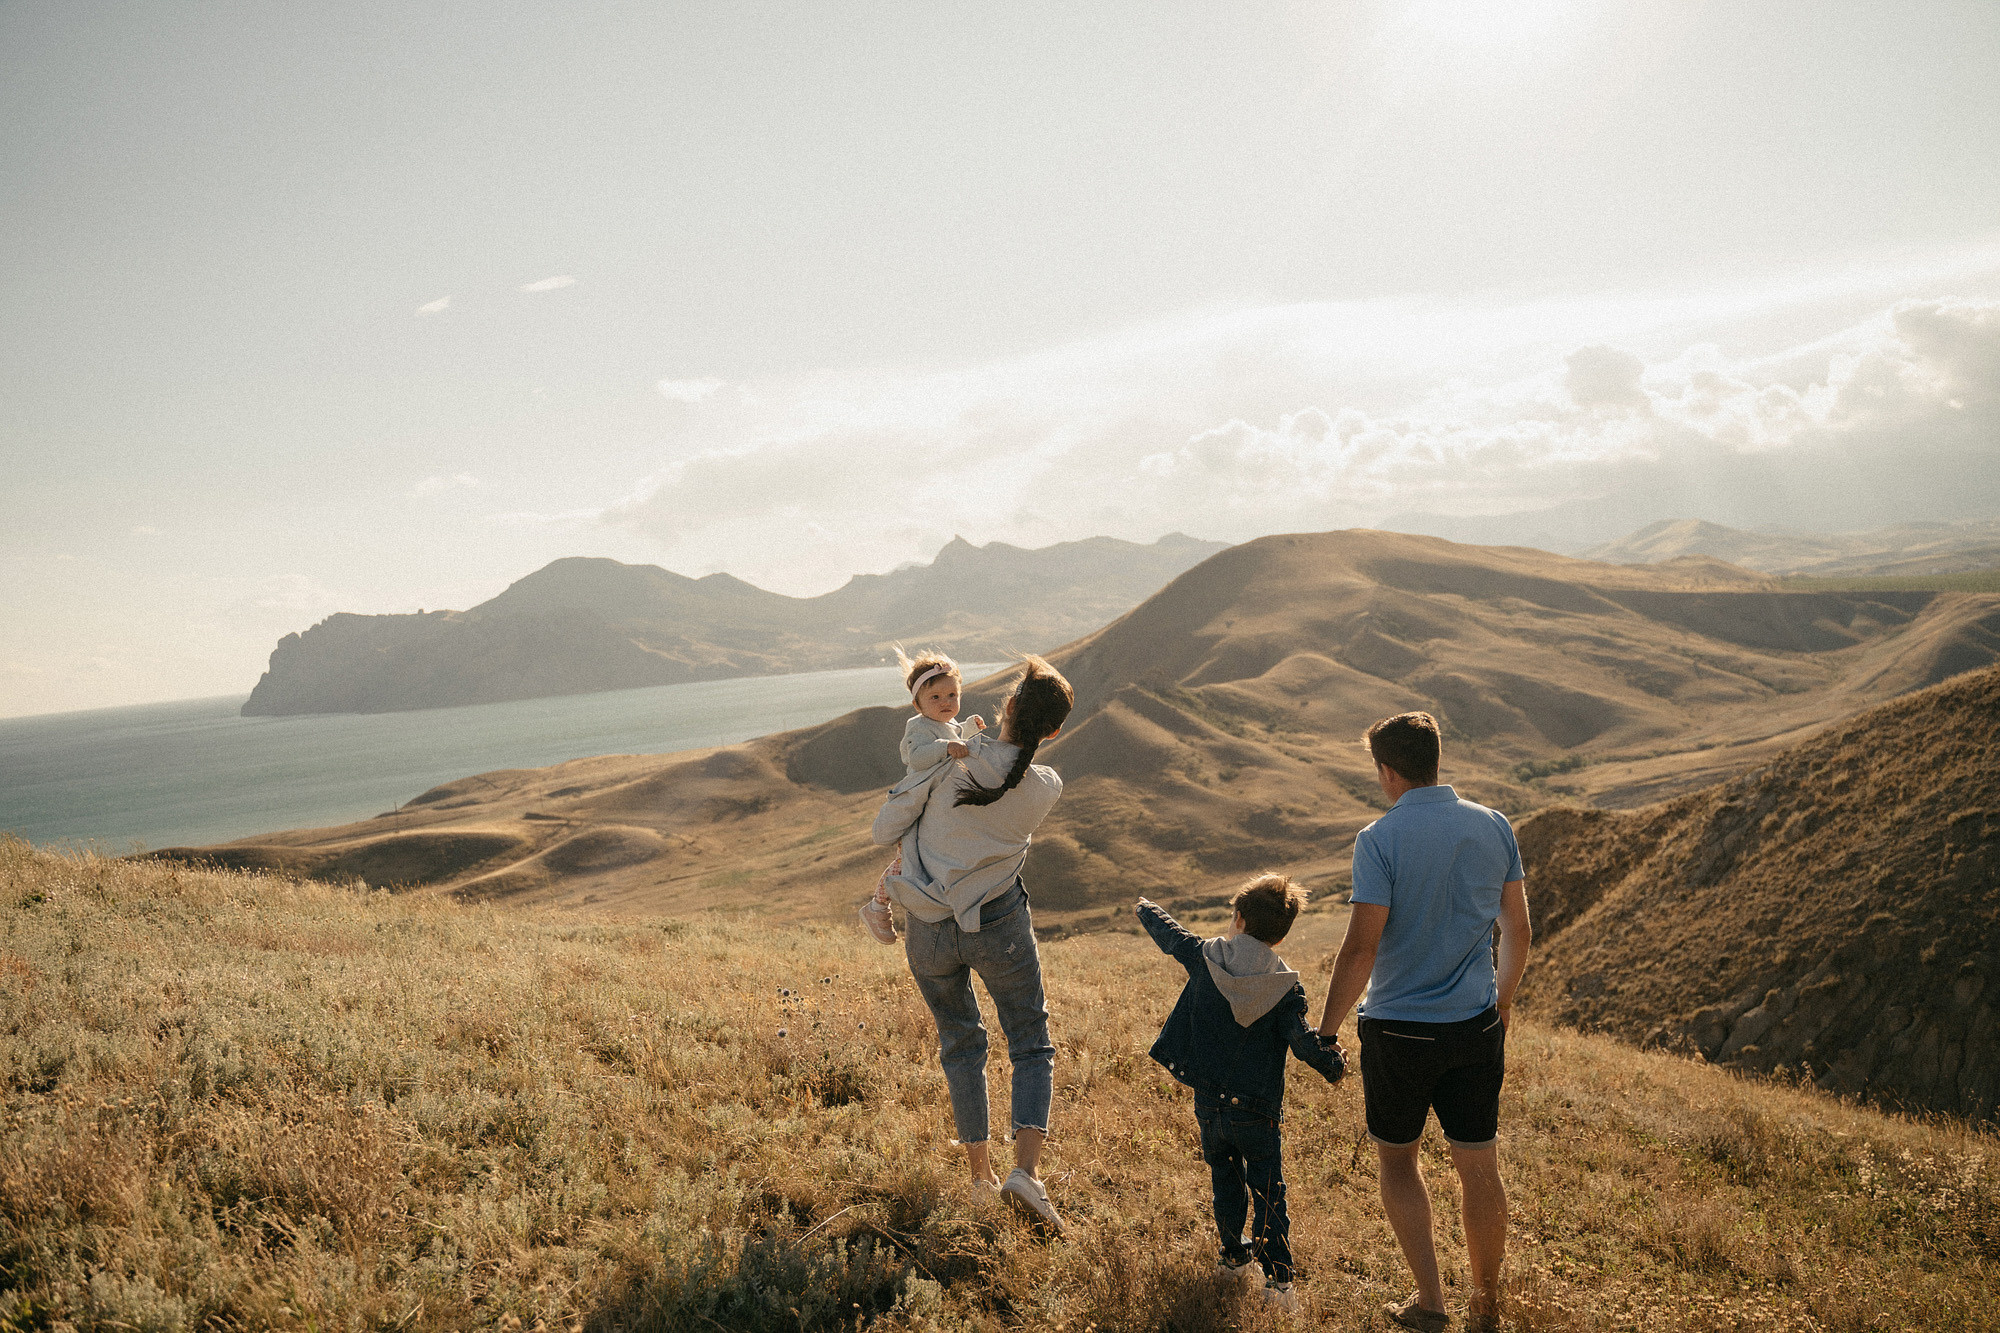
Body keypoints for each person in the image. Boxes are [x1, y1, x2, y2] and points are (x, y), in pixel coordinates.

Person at [1316, 712, 1532, 1333]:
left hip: (1398, 1030)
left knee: (1399, 1164)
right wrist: (1504, 1001)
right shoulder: (1494, 826)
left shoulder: (1378, 840)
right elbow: (1516, 929)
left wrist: (1327, 1031)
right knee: (1480, 1166)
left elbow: (1361, 949)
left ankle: (1432, 1303)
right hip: (1475, 1025)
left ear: (1388, 772)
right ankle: (1486, 1306)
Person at [870, 655, 1072, 1231]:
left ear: (1005, 708)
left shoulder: (948, 764)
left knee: (961, 1044)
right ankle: (1025, 1175)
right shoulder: (1045, 788)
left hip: (929, 928)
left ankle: (980, 1179)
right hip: (998, 926)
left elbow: (891, 825)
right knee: (1030, 1041)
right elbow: (1011, 771)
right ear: (1052, 731)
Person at [1136, 875, 1347, 1315]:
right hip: (1259, 1111)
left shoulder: (1205, 957)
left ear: (1238, 919)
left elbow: (1172, 936)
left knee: (1225, 1180)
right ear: (1282, 934)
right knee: (1269, 1190)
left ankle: (1233, 1257)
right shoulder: (1286, 988)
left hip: (1210, 1103)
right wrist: (1334, 1064)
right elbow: (1304, 1043)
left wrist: (1145, 907)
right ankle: (1279, 1282)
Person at [860, 648, 988, 943]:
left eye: (952, 695)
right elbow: (916, 757)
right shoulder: (917, 727)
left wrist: (969, 728)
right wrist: (944, 746)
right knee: (907, 859)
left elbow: (960, 743)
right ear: (917, 705)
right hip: (919, 801)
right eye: (935, 697)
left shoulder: (951, 725)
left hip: (939, 800)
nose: (946, 702)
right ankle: (878, 906)